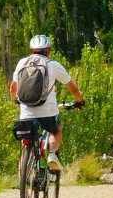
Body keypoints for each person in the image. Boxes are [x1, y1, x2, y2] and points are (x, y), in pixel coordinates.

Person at [13, 34, 84, 173]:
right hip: (48, 113)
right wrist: (79, 102)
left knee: (26, 143)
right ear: (48, 50)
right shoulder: (53, 65)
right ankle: (51, 154)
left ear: (32, 50)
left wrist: (16, 100)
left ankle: (23, 178)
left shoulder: (22, 63)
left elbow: (12, 88)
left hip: (26, 114)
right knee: (56, 131)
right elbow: (72, 88)